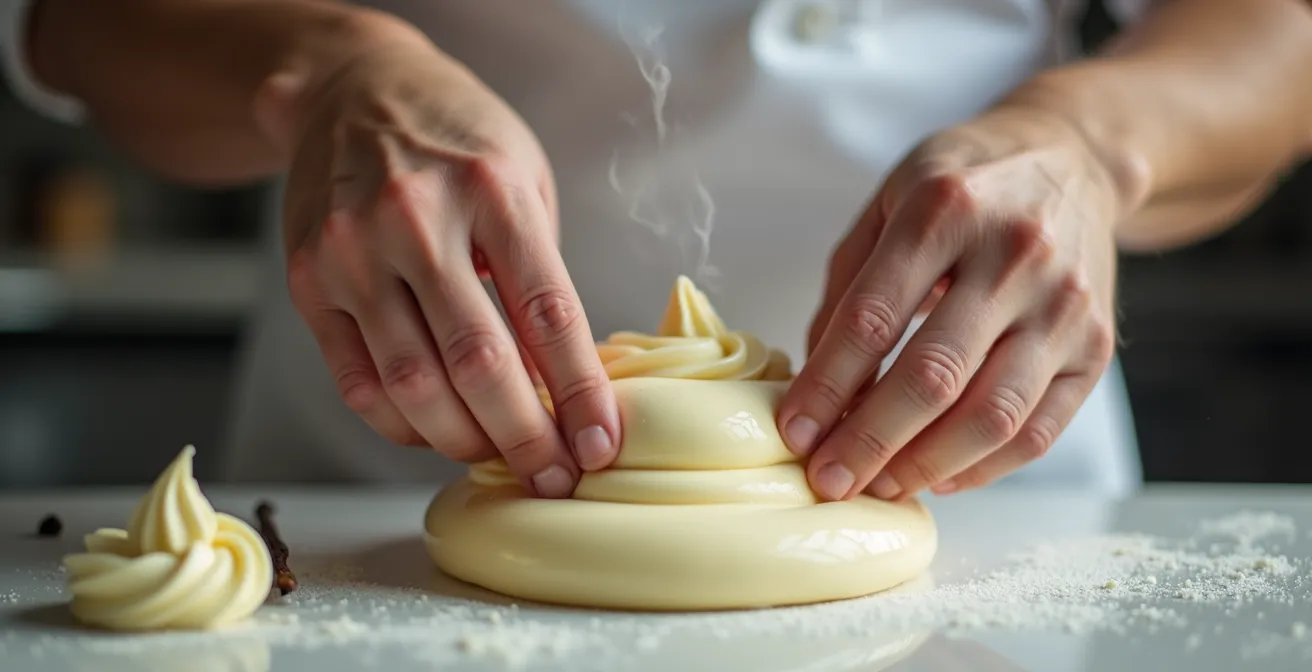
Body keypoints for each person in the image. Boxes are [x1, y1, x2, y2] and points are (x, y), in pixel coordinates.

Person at [3, 0, 1308, 502]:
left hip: (977, 474)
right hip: (396, 488)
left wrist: (1092, 138)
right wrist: (326, 71)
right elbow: (78, 21)